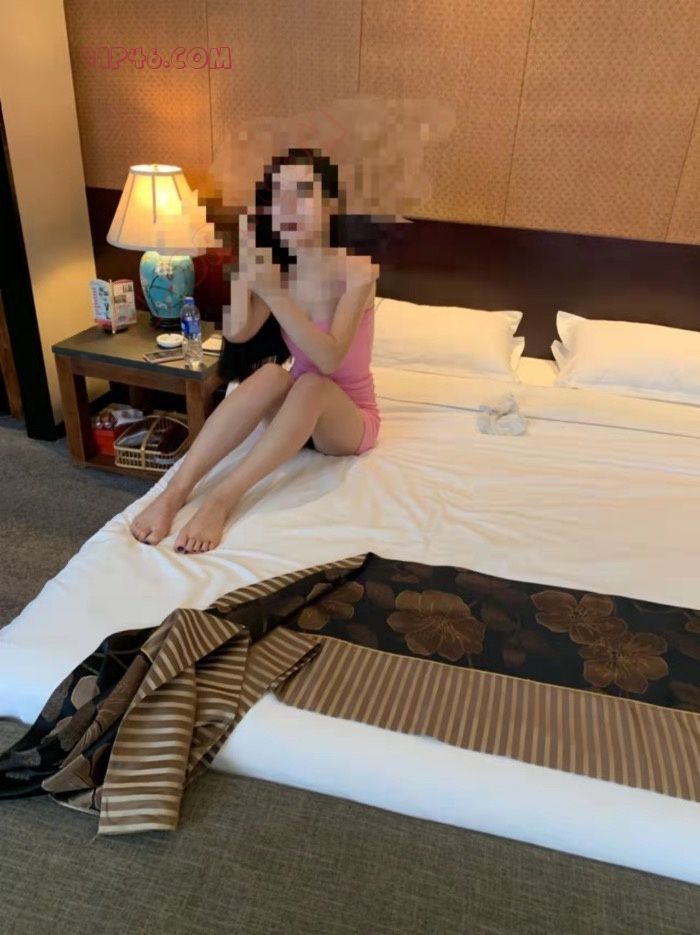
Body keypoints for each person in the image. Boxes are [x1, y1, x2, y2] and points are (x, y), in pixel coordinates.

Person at [129, 148, 381, 554]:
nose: (289, 207)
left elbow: (329, 359)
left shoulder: (358, 273)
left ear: (331, 204)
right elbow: (238, 332)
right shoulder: (280, 271)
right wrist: (245, 272)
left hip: (346, 420)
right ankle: (175, 492)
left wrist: (275, 293)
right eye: (279, 197)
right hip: (292, 417)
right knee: (272, 374)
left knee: (312, 383)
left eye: (303, 193)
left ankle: (221, 499)